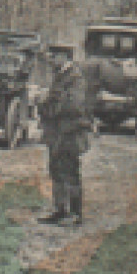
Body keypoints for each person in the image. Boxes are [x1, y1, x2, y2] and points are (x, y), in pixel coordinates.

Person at [38, 55, 93, 225]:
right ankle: (60, 209)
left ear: (63, 57)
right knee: (56, 168)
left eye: (54, 57)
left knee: (70, 170)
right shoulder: (60, 75)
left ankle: (75, 214)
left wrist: (47, 104)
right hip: (57, 132)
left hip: (70, 131)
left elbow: (74, 105)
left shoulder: (75, 77)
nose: (51, 61)